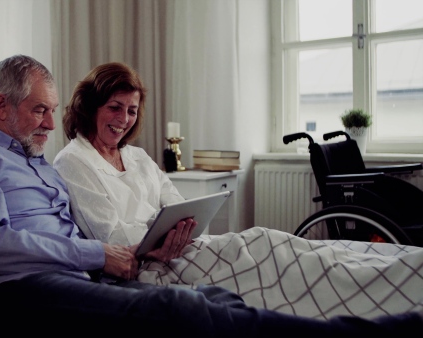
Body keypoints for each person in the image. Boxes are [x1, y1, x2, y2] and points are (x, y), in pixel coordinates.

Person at [0, 54, 422, 337]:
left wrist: (110, 259)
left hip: (74, 279)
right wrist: (98, 252)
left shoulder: (42, 168)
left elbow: (88, 239)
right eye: (39, 111)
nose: (50, 124)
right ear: (0, 105)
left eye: (53, 111)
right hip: (2, 297)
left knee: (206, 296)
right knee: (175, 311)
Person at [52, 62, 423, 319]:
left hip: (184, 249)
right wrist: (164, 242)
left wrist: (180, 230)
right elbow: (114, 238)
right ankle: (398, 280)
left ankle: (402, 265)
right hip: (153, 267)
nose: (124, 119)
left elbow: (178, 203)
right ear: (90, 106)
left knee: (277, 243)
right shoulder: (73, 163)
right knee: (272, 252)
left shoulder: (137, 157)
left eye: (132, 111)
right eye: (115, 107)